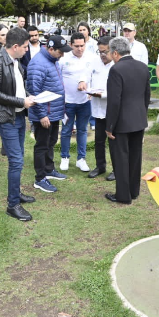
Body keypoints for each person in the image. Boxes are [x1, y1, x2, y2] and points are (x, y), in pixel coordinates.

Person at [0, 27, 37, 221]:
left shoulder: (15, 62)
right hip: (6, 118)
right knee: (16, 161)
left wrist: (28, 98)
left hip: (19, 116)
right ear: (15, 46)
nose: (26, 50)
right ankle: (12, 204)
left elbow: (18, 88)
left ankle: (16, 193)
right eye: (24, 47)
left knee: (19, 157)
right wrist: (21, 102)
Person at [104, 37, 150, 205]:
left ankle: (123, 195)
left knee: (121, 158)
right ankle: (134, 191)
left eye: (110, 52)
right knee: (135, 157)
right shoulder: (143, 67)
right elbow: (147, 97)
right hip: (138, 120)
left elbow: (114, 101)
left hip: (122, 122)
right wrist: (142, 116)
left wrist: (109, 126)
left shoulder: (116, 70)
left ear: (115, 52)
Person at [27, 35, 71, 193]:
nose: (63, 55)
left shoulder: (53, 61)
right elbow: (33, 91)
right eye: (60, 51)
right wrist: (42, 115)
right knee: (41, 145)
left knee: (51, 142)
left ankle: (49, 169)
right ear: (50, 49)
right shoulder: (38, 63)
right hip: (44, 114)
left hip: (54, 112)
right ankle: (40, 178)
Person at [59, 32, 94, 173]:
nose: (80, 49)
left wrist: (90, 89)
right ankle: (64, 157)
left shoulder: (91, 57)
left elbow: (94, 75)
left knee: (82, 130)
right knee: (66, 130)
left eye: (82, 45)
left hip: (85, 101)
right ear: (70, 45)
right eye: (76, 46)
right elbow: (58, 78)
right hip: (67, 102)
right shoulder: (64, 59)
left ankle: (81, 159)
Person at [85, 36, 116, 181]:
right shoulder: (94, 61)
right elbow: (86, 76)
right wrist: (84, 84)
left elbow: (119, 91)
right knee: (99, 140)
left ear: (113, 51)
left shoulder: (117, 65)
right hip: (97, 109)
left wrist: (102, 94)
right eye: (100, 52)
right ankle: (100, 166)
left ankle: (117, 169)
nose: (102, 55)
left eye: (105, 52)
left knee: (114, 141)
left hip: (113, 110)